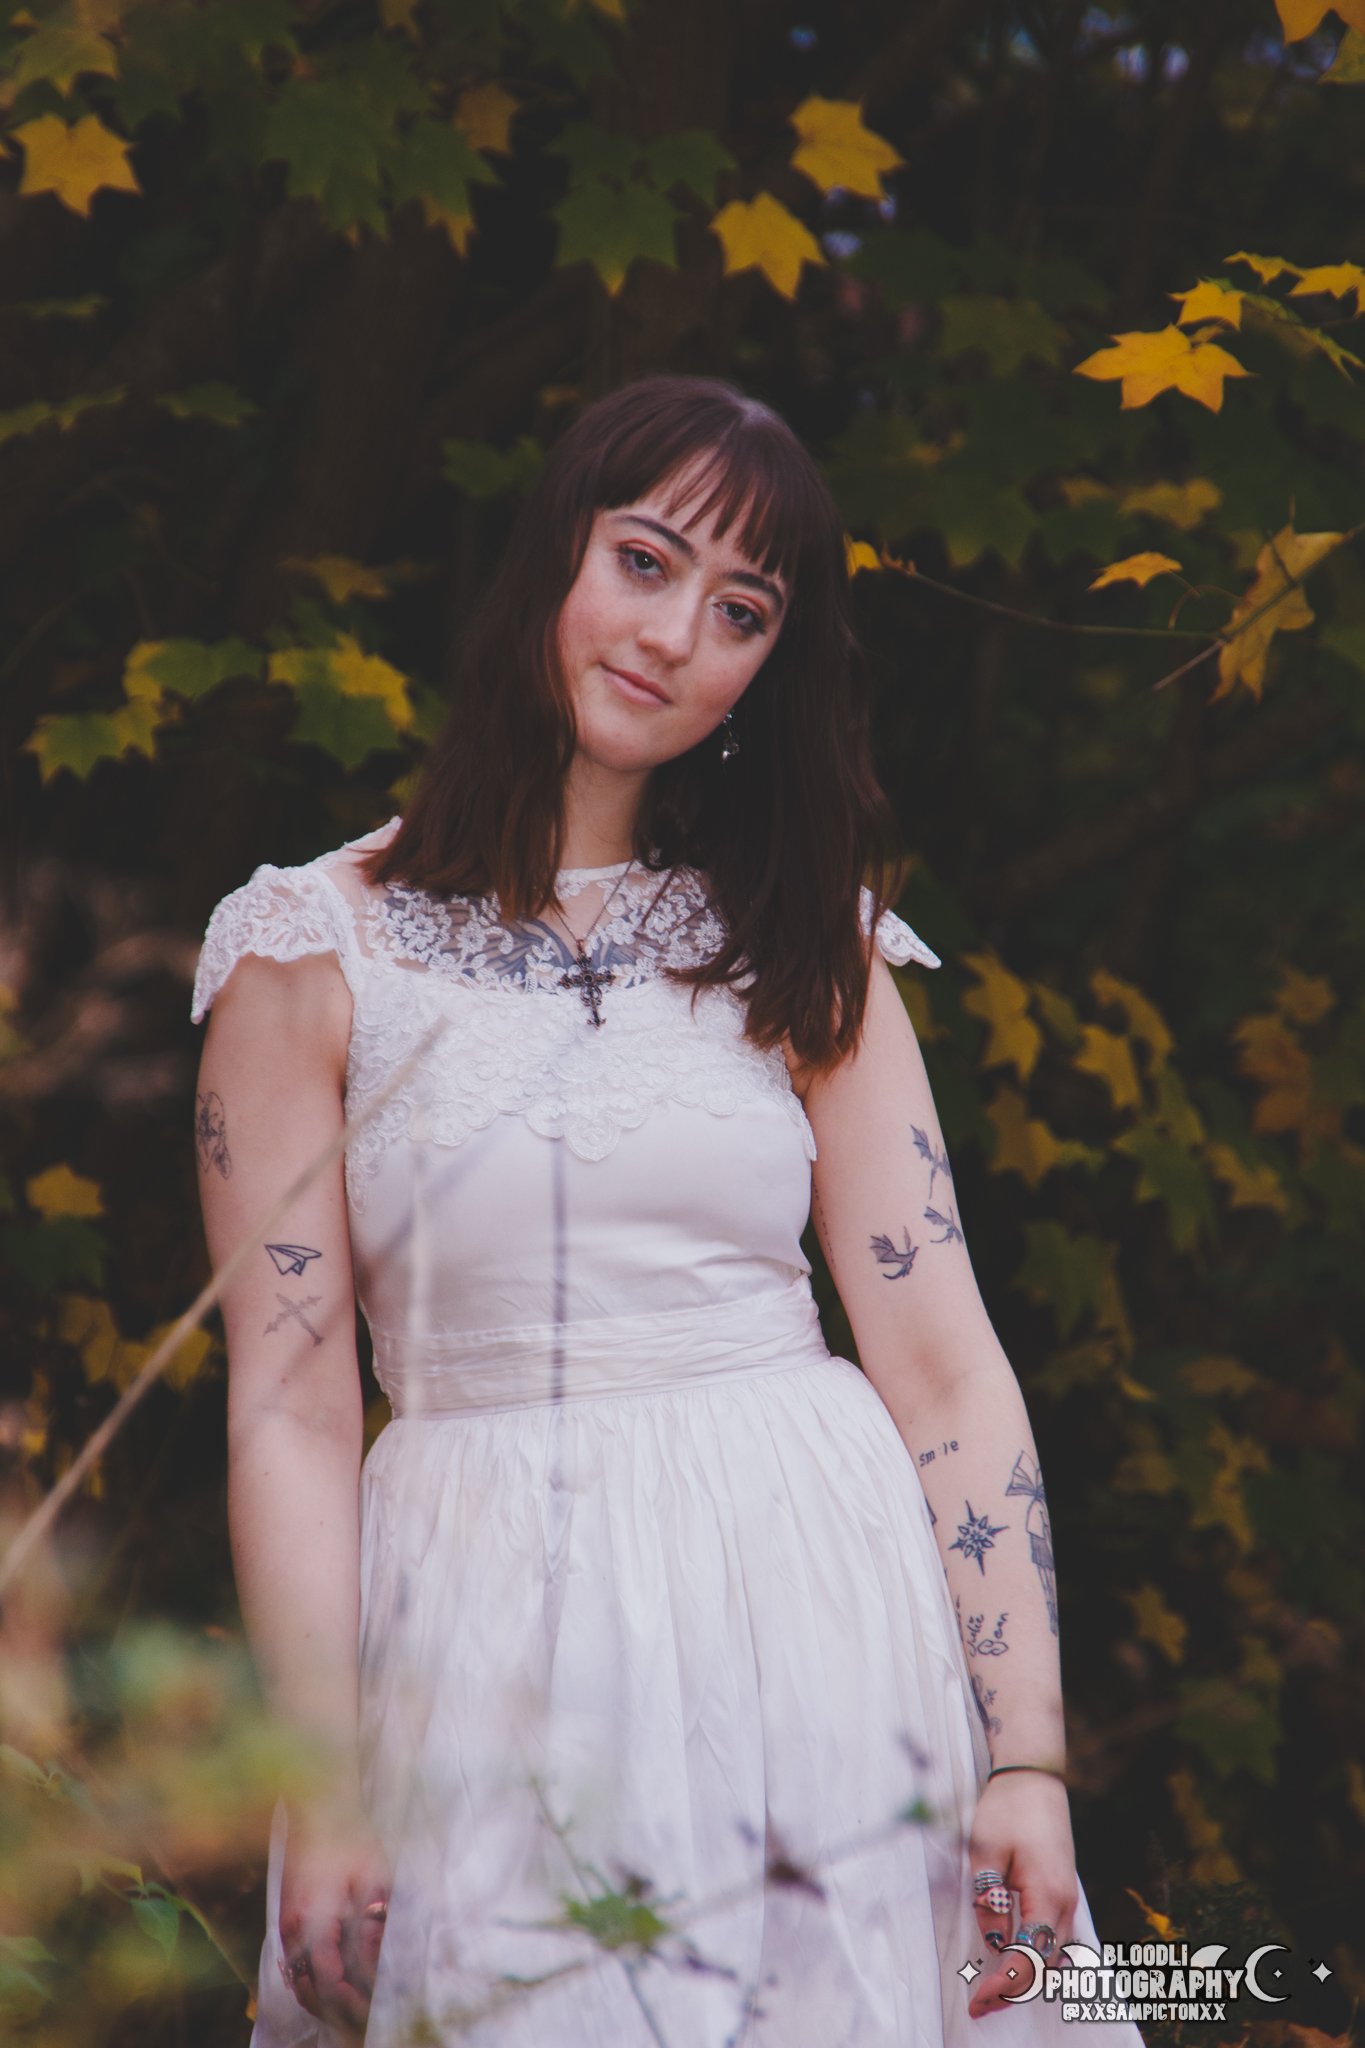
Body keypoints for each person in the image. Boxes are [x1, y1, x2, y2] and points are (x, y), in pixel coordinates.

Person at [192, 372, 1144, 2048]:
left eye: (740, 609)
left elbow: (942, 1369)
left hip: (815, 1619)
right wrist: (323, 1775)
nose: (674, 634)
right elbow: (286, 1408)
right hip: (482, 1645)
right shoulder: (307, 954)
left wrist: (1026, 1756)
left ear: (762, 673)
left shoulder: (805, 947)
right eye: (644, 561)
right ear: (553, 555)